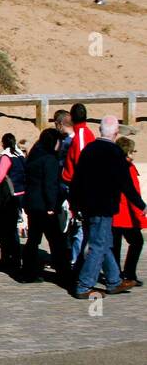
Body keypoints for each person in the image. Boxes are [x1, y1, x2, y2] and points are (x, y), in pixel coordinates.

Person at [69, 117, 143, 299]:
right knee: (98, 245)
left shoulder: (89, 149)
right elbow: (125, 183)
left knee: (105, 244)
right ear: (116, 133)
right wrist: (141, 205)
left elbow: (77, 180)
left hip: (87, 205)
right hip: (104, 206)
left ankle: (114, 280)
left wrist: (75, 203)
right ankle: (84, 285)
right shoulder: (115, 152)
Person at [20, 128, 67, 283]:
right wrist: (52, 206)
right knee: (57, 241)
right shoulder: (49, 159)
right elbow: (50, 185)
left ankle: (27, 272)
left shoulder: (34, 156)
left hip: (32, 203)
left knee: (33, 239)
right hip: (45, 206)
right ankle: (63, 272)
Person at [61, 103, 97, 265]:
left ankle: (77, 261)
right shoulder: (83, 134)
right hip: (77, 187)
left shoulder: (82, 136)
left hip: (77, 188)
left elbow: (82, 167)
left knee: (80, 227)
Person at [0, 133, 27, 272]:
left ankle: (7, 259)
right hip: (21, 193)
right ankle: (16, 259)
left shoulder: (6, 156)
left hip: (8, 196)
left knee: (6, 230)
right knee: (13, 229)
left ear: (3, 143)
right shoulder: (20, 155)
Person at [112, 136, 144, 287]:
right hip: (124, 214)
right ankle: (128, 273)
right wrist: (140, 212)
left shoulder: (115, 166)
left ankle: (117, 274)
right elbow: (132, 192)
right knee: (137, 242)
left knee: (115, 246)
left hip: (116, 212)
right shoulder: (127, 168)